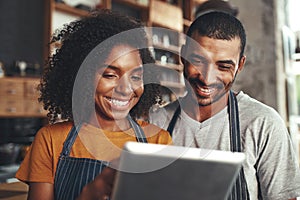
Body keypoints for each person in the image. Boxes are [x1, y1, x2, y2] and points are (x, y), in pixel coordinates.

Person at [15, 9, 172, 200]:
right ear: (84, 77)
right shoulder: (50, 140)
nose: (125, 88)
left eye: (136, 77)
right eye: (110, 75)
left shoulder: (159, 142)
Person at [149, 11, 300, 199]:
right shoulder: (154, 123)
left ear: (240, 65)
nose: (207, 78)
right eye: (198, 61)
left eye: (223, 66)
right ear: (183, 56)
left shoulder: (263, 124)